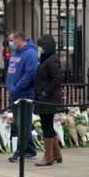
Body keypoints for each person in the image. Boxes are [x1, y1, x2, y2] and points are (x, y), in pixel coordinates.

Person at [6, 30, 38, 162]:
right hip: (14, 94)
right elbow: (11, 72)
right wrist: (10, 88)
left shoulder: (30, 53)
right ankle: (30, 149)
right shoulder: (15, 53)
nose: (10, 43)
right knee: (20, 124)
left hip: (24, 94)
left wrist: (17, 87)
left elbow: (30, 74)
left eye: (12, 40)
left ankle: (21, 151)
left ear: (19, 39)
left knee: (23, 124)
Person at [34, 35, 63, 166]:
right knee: (47, 124)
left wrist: (45, 92)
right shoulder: (46, 59)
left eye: (40, 46)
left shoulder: (52, 60)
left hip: (48, 98)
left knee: (46, 126)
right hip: (43, 97)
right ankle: (56, 153)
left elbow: (57, 79)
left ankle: (48, 156)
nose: (39, 48)